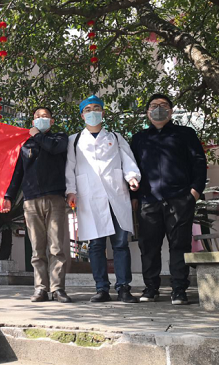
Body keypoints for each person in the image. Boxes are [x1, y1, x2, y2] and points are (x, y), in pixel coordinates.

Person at [131, 94, 207, 305]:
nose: (158, 108)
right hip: (148, 200)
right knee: (149, 246)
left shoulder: (185, 134)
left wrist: (194, 192)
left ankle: (179, 290)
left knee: (180, 245)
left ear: (171, 111)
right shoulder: (139, 138)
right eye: (154, 105)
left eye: (163, 105)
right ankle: (151, 288)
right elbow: (131, 168)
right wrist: (134, 196)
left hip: (180, 198)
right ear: (147, 112)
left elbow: (199, 163)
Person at [65, 96, 141, 303]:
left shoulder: (115, 137)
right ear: (82, 115)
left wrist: (132, 177)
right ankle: (101, 288)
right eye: (87, 109)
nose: (92, 112)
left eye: (96, 108)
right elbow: (69, 168)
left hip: (116, 194)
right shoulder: (74, 140)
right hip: (89, 197)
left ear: (103, 113)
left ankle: (124, 288)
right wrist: (71, 191)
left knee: (120, 244)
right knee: (96, 245)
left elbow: (128, 161)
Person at [2, 107, 72, 303]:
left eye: (45, 116)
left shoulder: (60, 138)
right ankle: (41, 288)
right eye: (37, 117)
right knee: (37, 248)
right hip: (31, 200)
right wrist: (9, 195)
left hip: (55, 198)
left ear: (52, 121)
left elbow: (54, 148)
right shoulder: (25, 144)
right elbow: (18, 173)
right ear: (32, 122)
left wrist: (37, 135)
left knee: (56, 247)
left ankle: (58, 289)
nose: (41, 119)